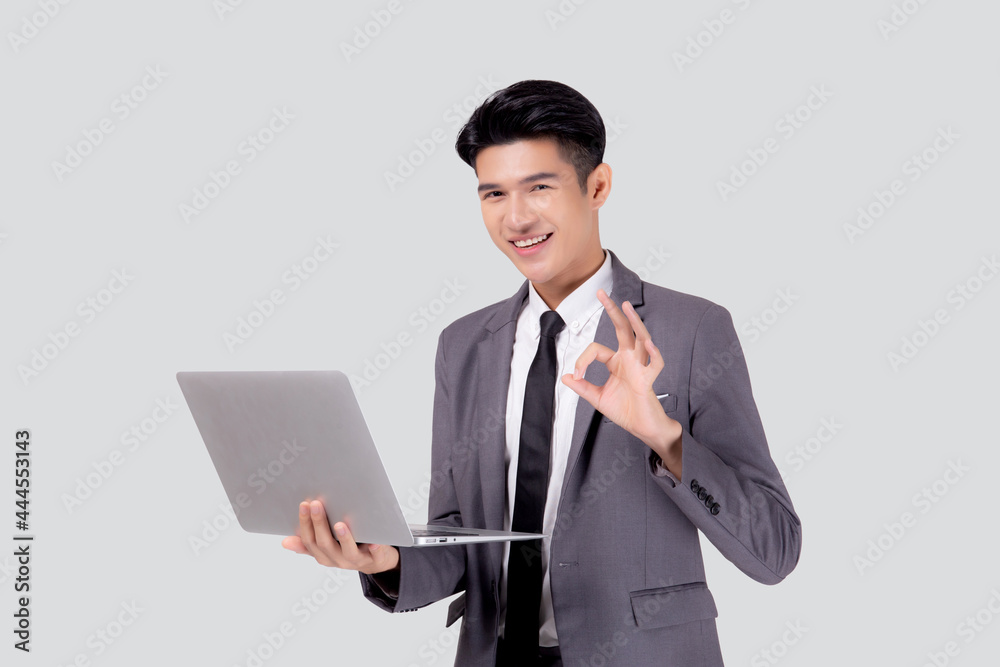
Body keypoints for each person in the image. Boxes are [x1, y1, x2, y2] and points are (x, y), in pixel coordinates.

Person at [282, 80, 802, 666]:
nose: (516, 217)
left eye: (539, 188)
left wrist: (665, 438)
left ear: (597, 186)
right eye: (494, 194)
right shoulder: (463, 346)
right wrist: (388, 561)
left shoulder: (692, 329)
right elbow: (461, 535)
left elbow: (775, 549)